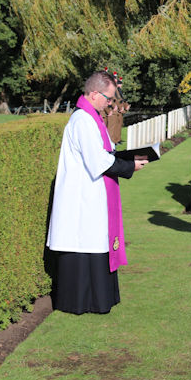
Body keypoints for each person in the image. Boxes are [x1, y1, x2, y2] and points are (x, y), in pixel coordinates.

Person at [46, 70, 147, 314]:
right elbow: (98, 161)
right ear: (93, 94)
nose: (110, 103)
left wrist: (126, 158)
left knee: (94, 243)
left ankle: (98, 300)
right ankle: (82, 302)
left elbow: (106, 153)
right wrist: (130, 165)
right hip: (82, 196)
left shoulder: (92, 118)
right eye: (108, 98)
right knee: (84, 245)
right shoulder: (82, 120)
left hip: (92, 194)